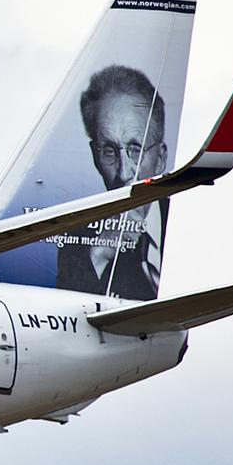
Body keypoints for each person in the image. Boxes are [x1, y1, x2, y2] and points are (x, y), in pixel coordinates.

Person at [56, 64, 167, 299]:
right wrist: (100, 253)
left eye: (136, 149)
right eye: (109, 151)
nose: (125, 173)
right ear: (95, 158)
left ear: (161, 158)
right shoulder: (76, 239)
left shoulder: (182, 225)